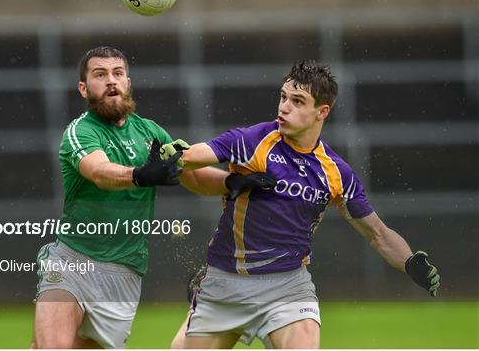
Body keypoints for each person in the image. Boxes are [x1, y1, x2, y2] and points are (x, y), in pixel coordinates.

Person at [162, 61, 441, 349]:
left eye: (297, 101)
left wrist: (409, 263)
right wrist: (173, 154)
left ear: (322, 112)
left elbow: (377, 233)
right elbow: (191, 157)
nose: (284, 107)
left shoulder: (336, 172)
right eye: (283, 97)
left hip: (287, 285)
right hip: (225, 282)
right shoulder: (253, 140)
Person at [32, 46, 274, 349]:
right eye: (100, 75)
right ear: (84, 88)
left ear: (128, 83)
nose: (111, 81)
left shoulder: (150, 132)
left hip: (124, 273)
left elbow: (193, 175)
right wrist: (141, 175)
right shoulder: (80, 132)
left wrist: (235, 180)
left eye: (118, 74)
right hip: (73, 261)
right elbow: (99, 171)